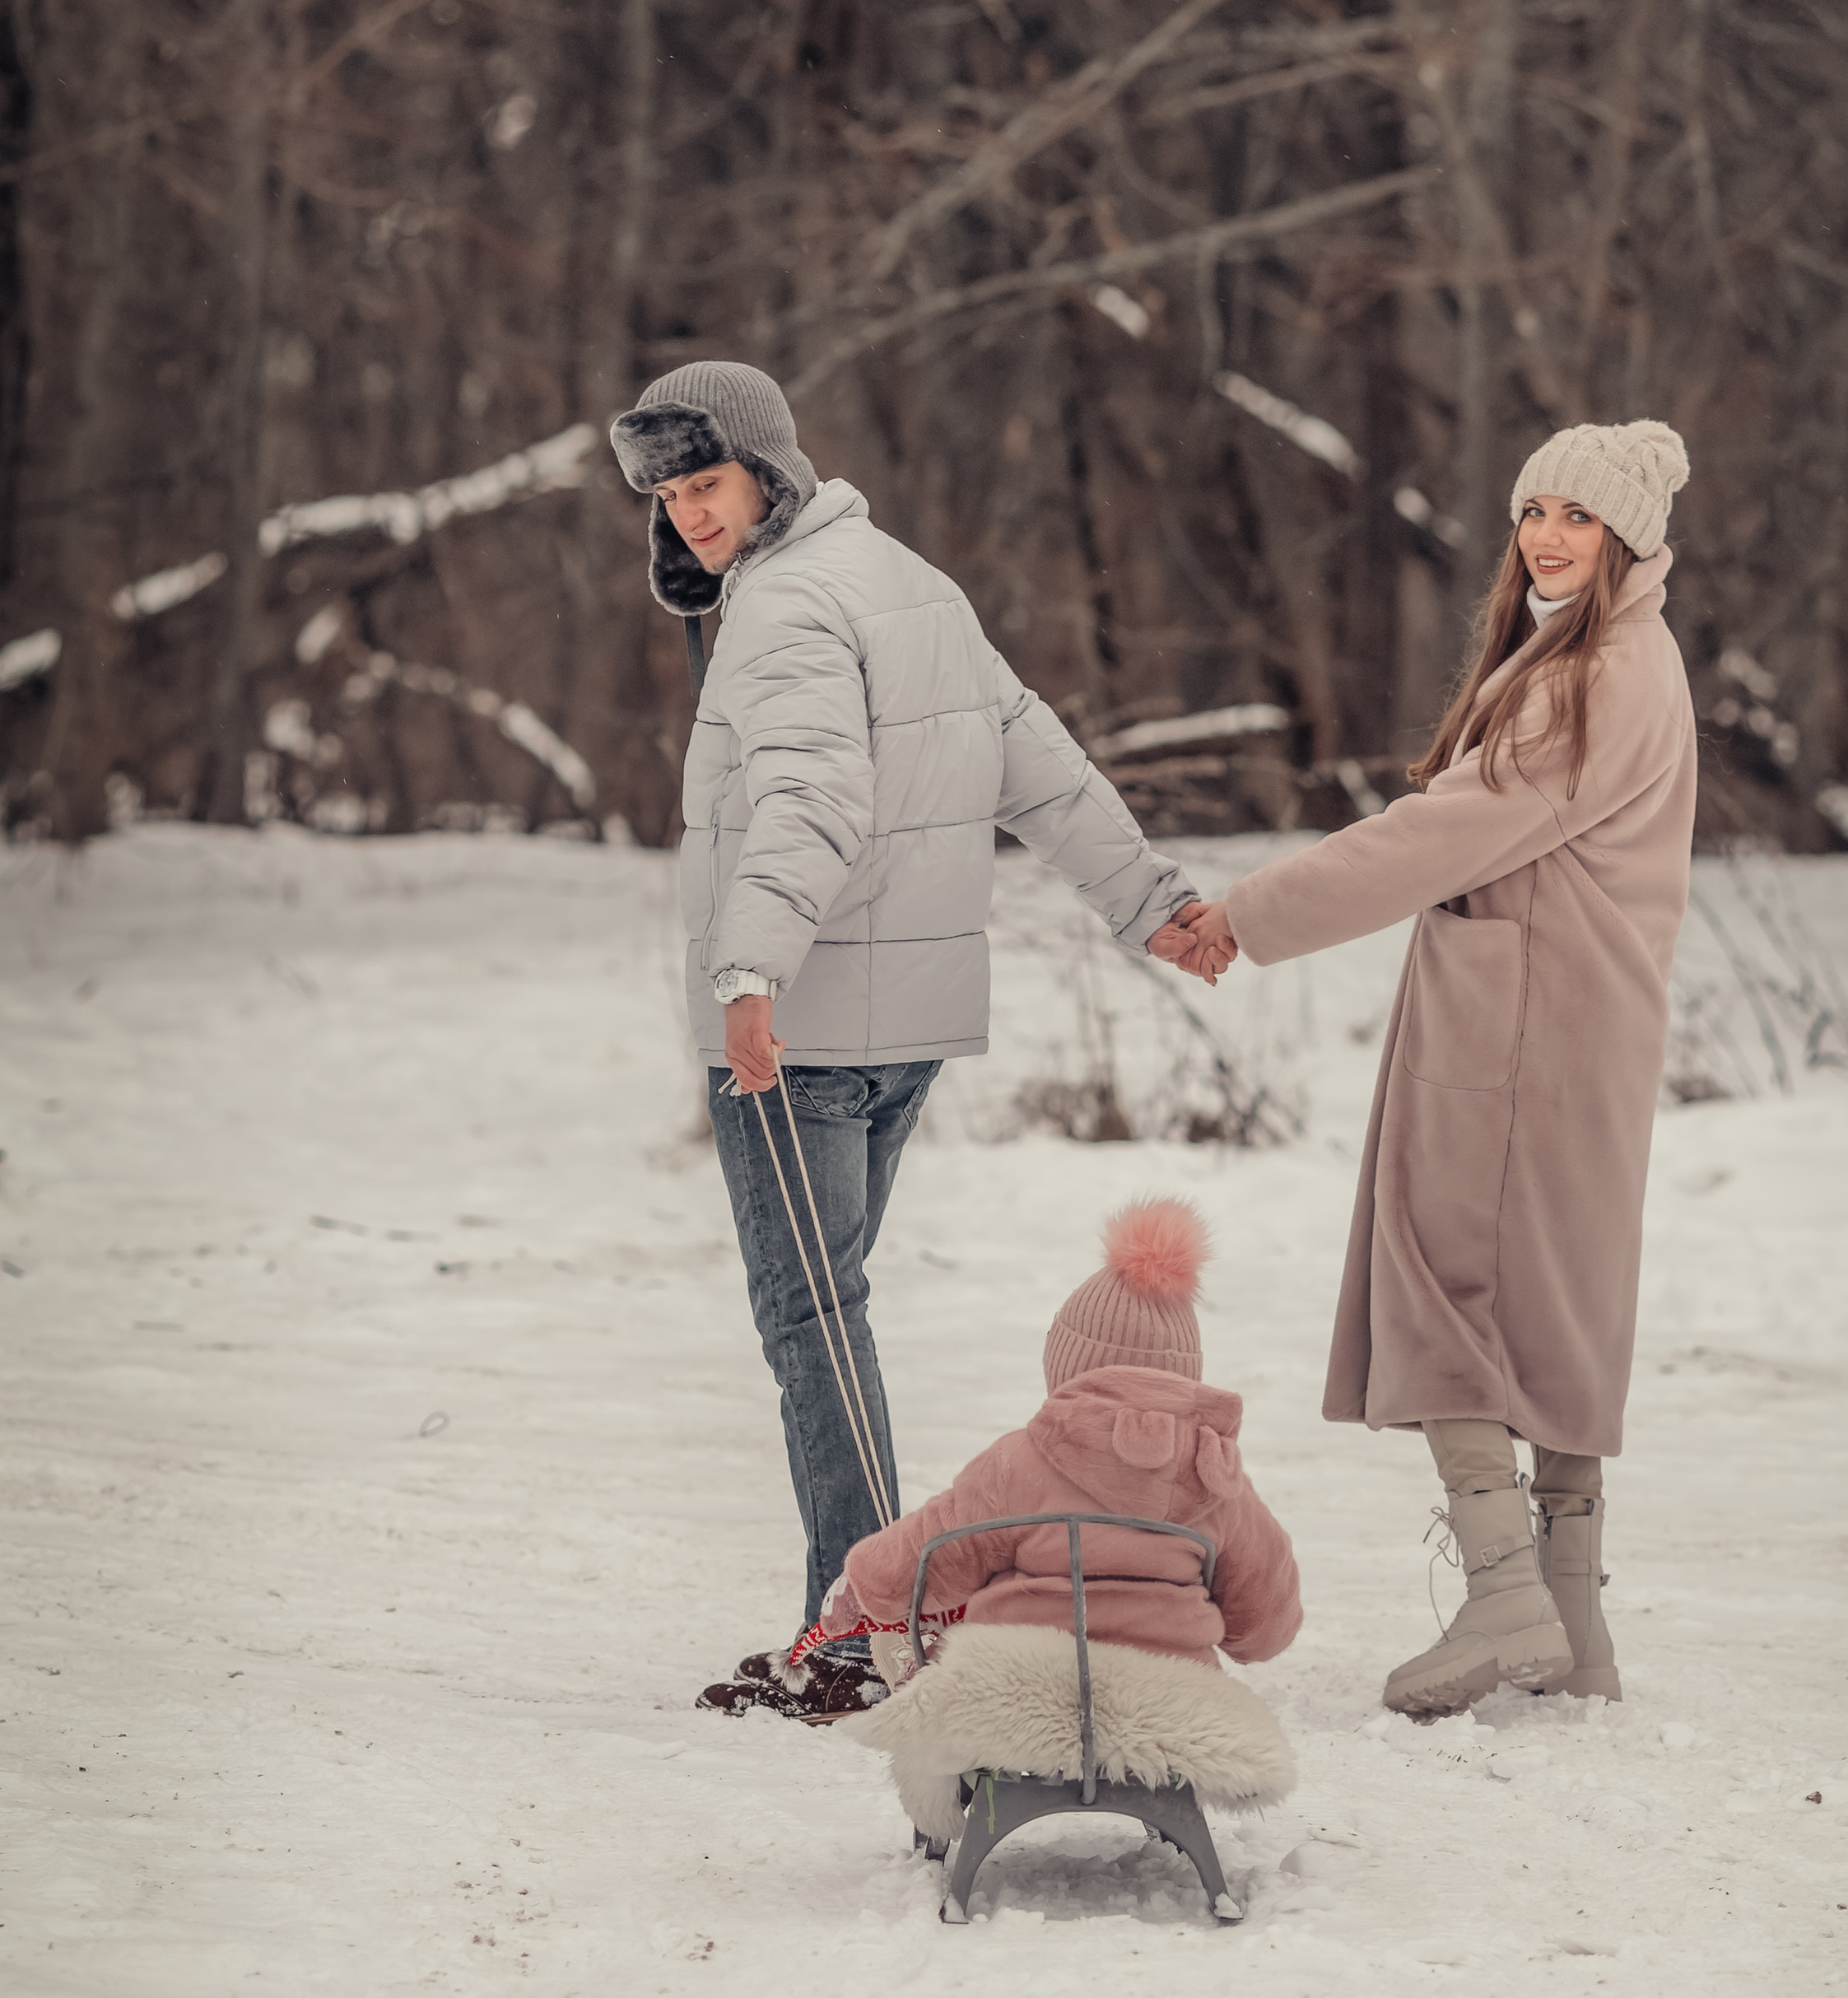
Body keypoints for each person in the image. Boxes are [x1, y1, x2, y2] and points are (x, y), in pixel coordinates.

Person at [607, 361, 1222, 1717]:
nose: (688, 517)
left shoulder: (785, 607)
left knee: (814, 1325)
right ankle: (884, 1613)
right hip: (903, 1030)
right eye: (665, 495)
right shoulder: (910, 583)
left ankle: (863, 1629)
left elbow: (815, 796)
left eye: (704, 482)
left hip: (804, 1030)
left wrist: (752, 971)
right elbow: (1037, 757)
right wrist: (1148, 901)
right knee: (836, 1318)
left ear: (769, 467)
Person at [1176, 420, 1697, 1717]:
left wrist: (1248, 915)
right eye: (1535, 512)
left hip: (1520, 1030)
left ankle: (1504, 1592)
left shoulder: (1596, 678)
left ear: (1629, 538)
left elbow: (1438, 835)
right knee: (1564, 1298)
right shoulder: (1616, 661)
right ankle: (1573, 1623)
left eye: (1581, 516)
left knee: (1442, 1280)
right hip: (1575, 1019)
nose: (1549, 537)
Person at [812, 1195, 1302, 1712]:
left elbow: (937, 1545)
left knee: (936, 1707)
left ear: (1068, 1366)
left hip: (1022, 1693)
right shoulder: (1219, 1481)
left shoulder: (1020, 1462)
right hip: (1171, 1705)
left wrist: (864, 1582)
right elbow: (1265, 1629)